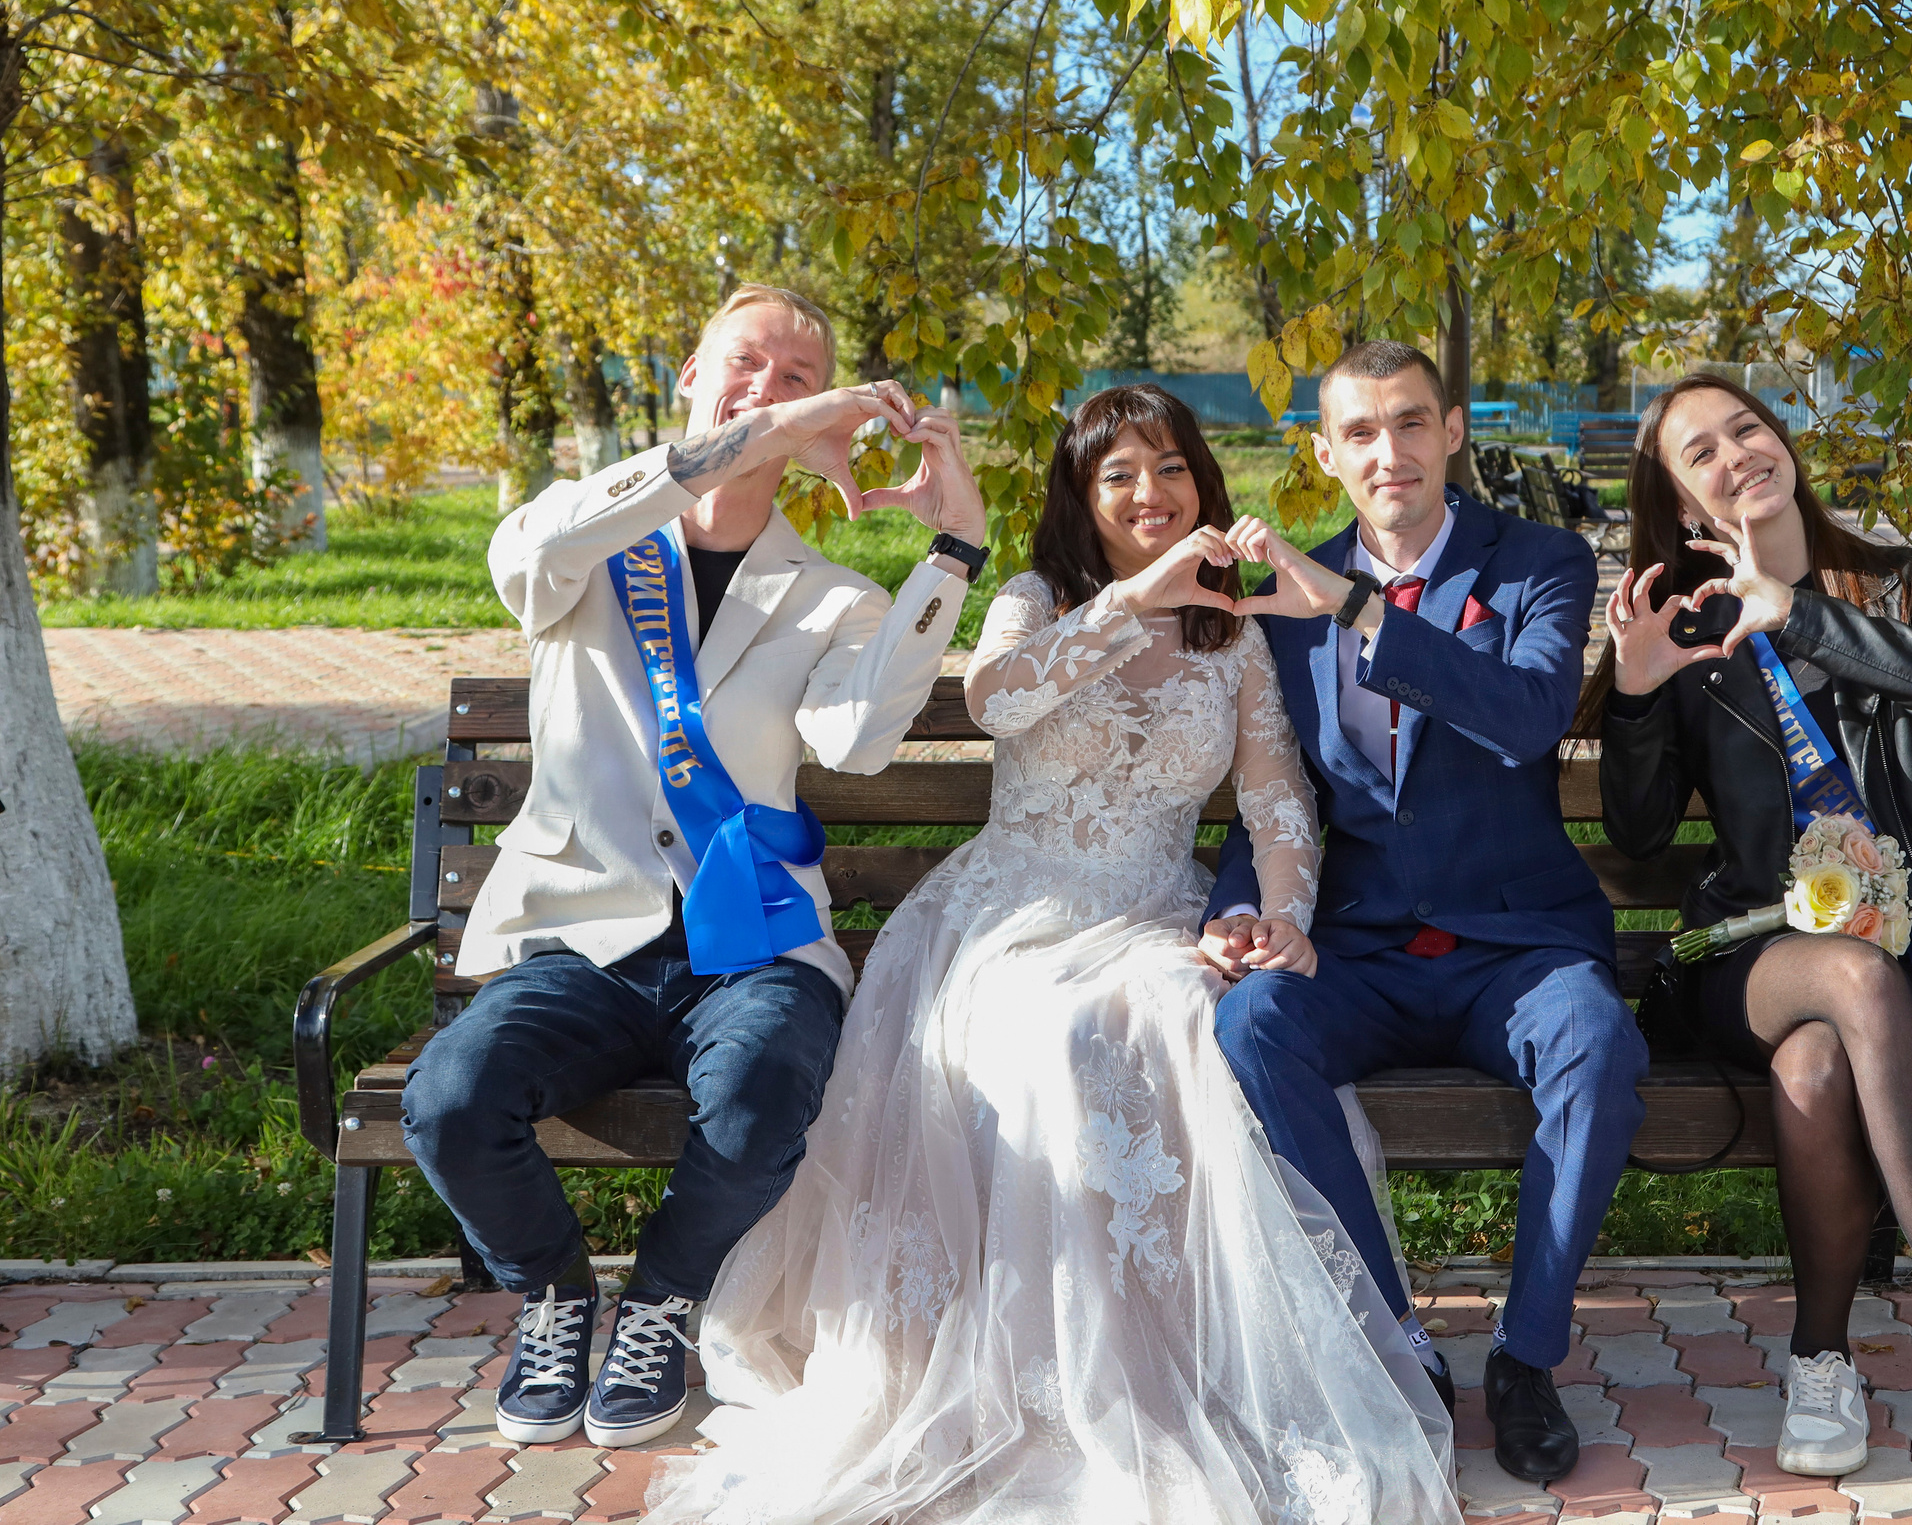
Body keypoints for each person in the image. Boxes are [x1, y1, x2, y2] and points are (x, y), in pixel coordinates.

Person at [642, 385, 1461, 1525]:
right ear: (1081, 495)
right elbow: (995, 701)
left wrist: (1283, 916)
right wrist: (1133, 599)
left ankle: (1179, 1356)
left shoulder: (1235, 630)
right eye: (1118, 474)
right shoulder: (1037, 598)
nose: (1150, 493)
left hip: (1152, 907)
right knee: (1068, 1031)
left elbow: (1277, 802)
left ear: (1202, 483)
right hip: (1010, 916)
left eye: (1171, 468)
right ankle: (1054, 1372)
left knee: (1191, 1015)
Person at [401, 284, 990, 1450]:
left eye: (796, 379)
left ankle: (663, 1303)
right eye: (745, 364)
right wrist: (764, 432)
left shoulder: (831, 597)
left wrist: (955, 548)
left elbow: (858, 742)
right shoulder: (587, 541)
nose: (767, 391)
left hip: (755, 946)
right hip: (580, 938)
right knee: (450, 1100)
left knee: (764, 1091)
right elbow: (532, 553)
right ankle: (554, 1296)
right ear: (689, 377)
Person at [1593, 371, 1912, 1497]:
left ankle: (1819, 1362)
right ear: (1680, 501)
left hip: (1910, 954)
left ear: (1784, 440)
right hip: (1748, 957)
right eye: (1701, 454)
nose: (1736, 457)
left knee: (1819, 1063)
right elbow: (1638, 830)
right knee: (1850, 982)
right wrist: (1634, 688)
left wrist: (1796, 612)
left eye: (1747, 429)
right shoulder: (1687, 620)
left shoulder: (1899, 584)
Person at [1210, 341, 1649, 1487]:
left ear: (1451, 430)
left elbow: (1527, 716)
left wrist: (1357, 608)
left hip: (1516, 945)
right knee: (1251, 1021)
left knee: (1597, 1043)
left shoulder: (1538, 561)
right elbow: (1275, 789)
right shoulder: (1287, 597)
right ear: (1325, 454)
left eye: (1410, 422)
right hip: (1359, 948)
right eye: (1359, 432)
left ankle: (1525, 1356)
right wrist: (1243, 910)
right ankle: (1395, 1336)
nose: (1388, 451)